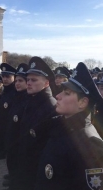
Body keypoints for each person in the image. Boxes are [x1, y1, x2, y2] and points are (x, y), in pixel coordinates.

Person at [34, 62, 103, 190]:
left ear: (82, 103)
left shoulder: (90, 143)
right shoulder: (60, 128)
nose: (58, 96)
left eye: (67, 93)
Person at [13, 56, 57, 190]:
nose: (29, 83)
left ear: (46, 83)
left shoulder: (50, 106)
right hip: (26, 163)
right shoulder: (32, 99)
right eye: (28, 79)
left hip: (36, 168)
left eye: (34, 80)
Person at [3, 63, 29, 189]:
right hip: (11, 141)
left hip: (18, 144)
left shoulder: (27, 100)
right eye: (16, 80)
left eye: (21, 81)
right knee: (11, 164)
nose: (17, 83)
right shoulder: (17, 96)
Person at [0, 63, 16, 161]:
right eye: (3, 76)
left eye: (8, 77)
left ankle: (2, 153)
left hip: (8, 122)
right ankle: (0, 150)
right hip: (1, 120)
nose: (5, 79)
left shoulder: (14, 91)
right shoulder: (4, 89)